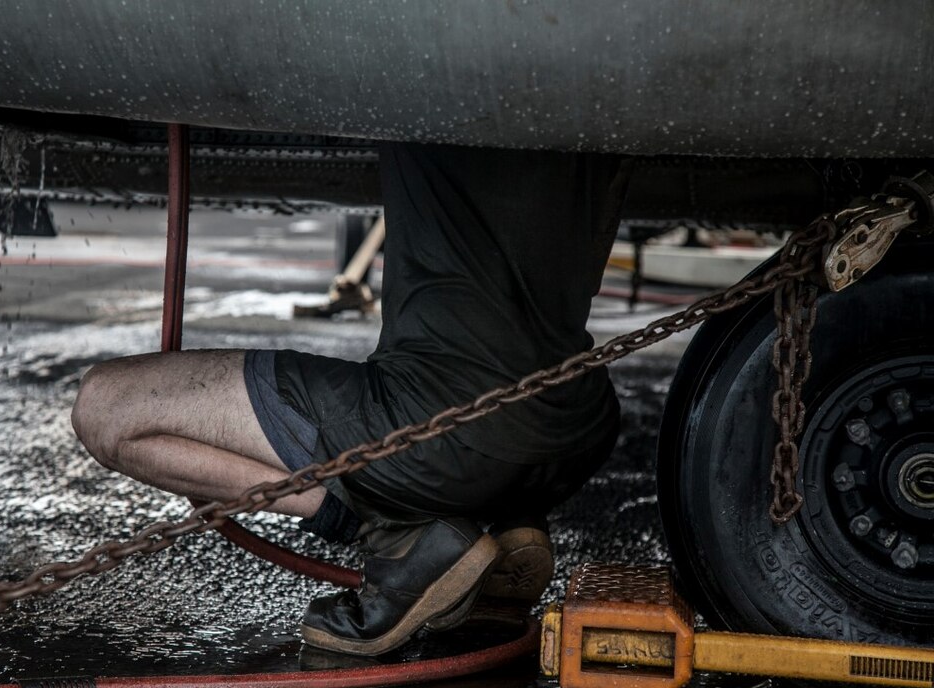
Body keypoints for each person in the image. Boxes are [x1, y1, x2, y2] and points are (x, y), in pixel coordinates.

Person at [71, 142, 630, 656]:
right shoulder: (607, 77)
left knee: (106, 409)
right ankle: (505, 520)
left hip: (442, 434)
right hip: (576, 425)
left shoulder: (439, 49)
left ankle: (393, 530)